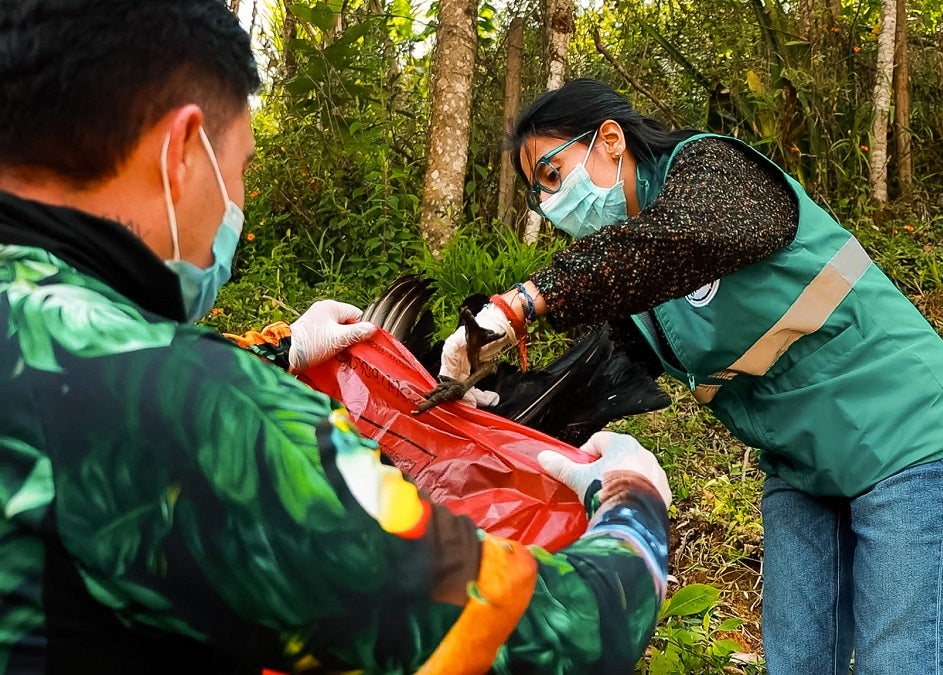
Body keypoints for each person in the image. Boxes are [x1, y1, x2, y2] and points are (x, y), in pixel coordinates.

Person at [0, 5, 672, 674]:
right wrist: (632, 503)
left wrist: (282, 350)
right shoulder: (196, 413)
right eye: (241, 168)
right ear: (181, 151)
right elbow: (556, 633)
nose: (238, 203)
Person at [442, 79, 943, 674]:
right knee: (796, 662)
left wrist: (522, 302)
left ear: (610, 139)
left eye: (552, 174)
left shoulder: (710, 172)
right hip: (801, 461)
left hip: (901, 428)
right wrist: (481, 408)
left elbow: (687, 236)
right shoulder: (636, 278)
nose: (550, 202)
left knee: (902, 662)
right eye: (537, 193)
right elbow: (594, 376)